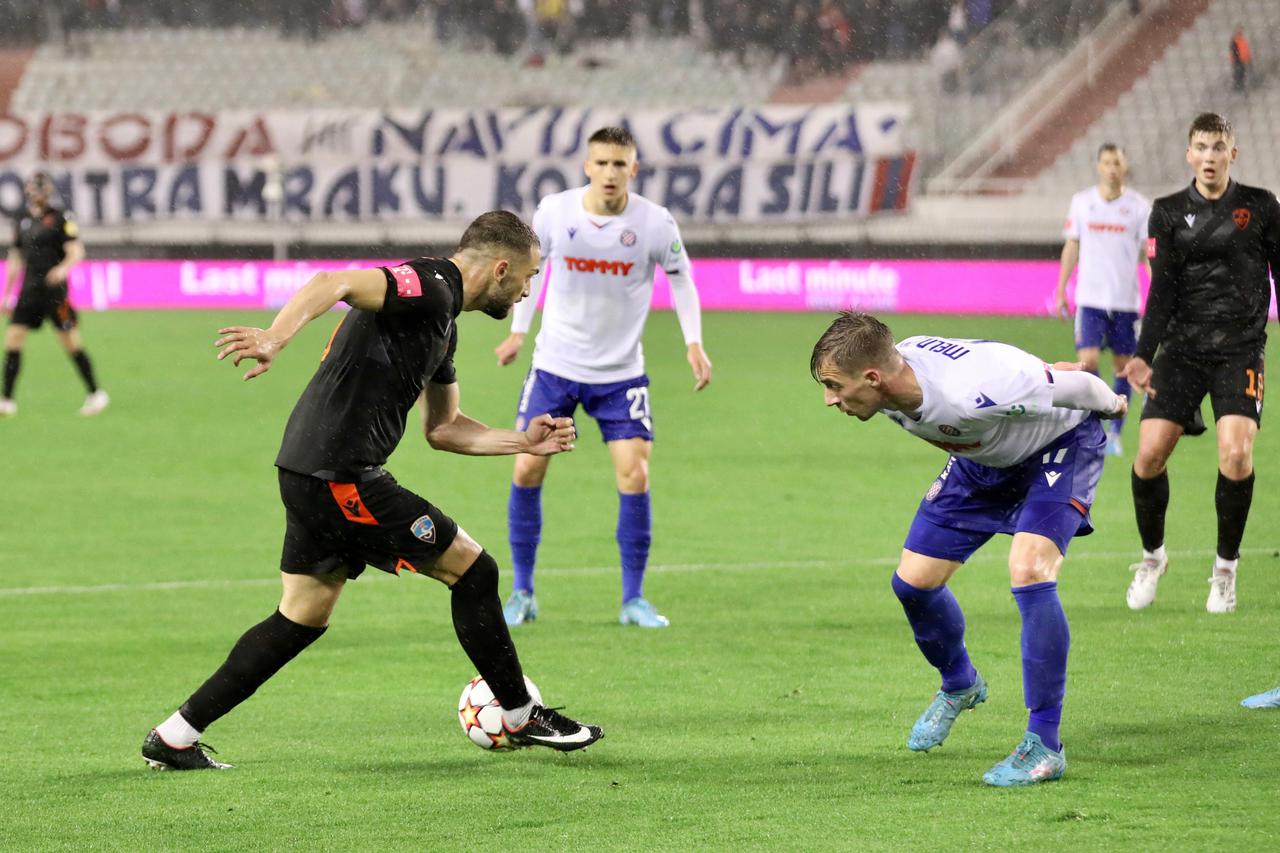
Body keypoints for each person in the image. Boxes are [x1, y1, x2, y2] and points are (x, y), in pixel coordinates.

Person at [141, 211, 604, 771]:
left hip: (307, 471)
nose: (528, 289)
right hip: (342, 477)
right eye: (528, 277)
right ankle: (518, 711)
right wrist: (274, 338)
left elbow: (443, 428)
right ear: (501, 268)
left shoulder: (443, 324)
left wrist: (523, 441)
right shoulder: (427, 286)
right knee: (474, 571)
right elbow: (330, 283)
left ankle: (175, 735)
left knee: (300, 618)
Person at [811, 312, 1126, 787]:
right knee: (913, 584)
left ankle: (1044, 743)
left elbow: (1077, 387)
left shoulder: (974, 390)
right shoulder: (899, 377)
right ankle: (960, 683)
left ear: (872, 378)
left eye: (834, 385)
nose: (829, 399)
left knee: (1029, 570)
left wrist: (1114, 404)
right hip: (981, 463)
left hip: (1056, 448)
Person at [494, 126, 711, 629]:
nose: (611, 173)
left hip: (620, 373)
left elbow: (682, 279)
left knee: (634, 474)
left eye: (621, 164)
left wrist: (693, 343)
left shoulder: (655, 223)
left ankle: (633, 599)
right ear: (587, 167)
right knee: (527, 468)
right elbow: (532, 269)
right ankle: (522, 591)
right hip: (556, 365)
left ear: (634, 169)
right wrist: (518, 332)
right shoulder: (555, 212)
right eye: (602, 163)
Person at [1120, 113, 1280, 614]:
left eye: (1218, 147)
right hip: (1183, 351)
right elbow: (1162, 289)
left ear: (1234, 153)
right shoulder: (1166, 212)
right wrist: (1145, 355)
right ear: (1188, 155)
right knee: (1148, 457)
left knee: (1235, 455)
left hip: (1239, 349)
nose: (1209, 157)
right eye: (1201, 148)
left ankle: (1225, 570)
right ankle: (1153, 557)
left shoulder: (1261, 207)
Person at [1053, 143, 1150, 457]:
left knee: (1123, 367)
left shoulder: (1139, 207)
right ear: (1098, 166)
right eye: (1107, 162)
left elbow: (1147, 253)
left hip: (1125, 301)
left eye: (1117, 162)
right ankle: (1094, 424)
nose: (1112, 168)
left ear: (1125, 166)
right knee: (1089, 362)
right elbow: (1072, 247)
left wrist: (1161, 287)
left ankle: (1115, 433)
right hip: (1090, 298)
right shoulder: (1082, 203)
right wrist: (1061, 288)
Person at [1, 172, 107, 418]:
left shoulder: (60, 218)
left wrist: (62, 269)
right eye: (33, 189)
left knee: (70, 343)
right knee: (12, 341)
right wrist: (6, 294)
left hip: (54, 293)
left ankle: (95, 393)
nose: (36, 193)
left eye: (41, 189)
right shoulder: (22, 220)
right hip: (29, 291)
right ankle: (6, 400)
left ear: (47, 192)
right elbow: (16, 258)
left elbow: (76, 251)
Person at [1230, 27, 1251, 94]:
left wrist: (1248, 59)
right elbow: (1234, 52)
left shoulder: (1242, 40)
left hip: (1242, 61)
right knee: (1238, 76)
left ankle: (1240, 89)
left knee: (1242, 75)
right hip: (1238, 61)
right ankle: (1238, 90)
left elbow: (1245, 50)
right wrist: (1237, 60)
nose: (1241, 32)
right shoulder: (1235, 40)